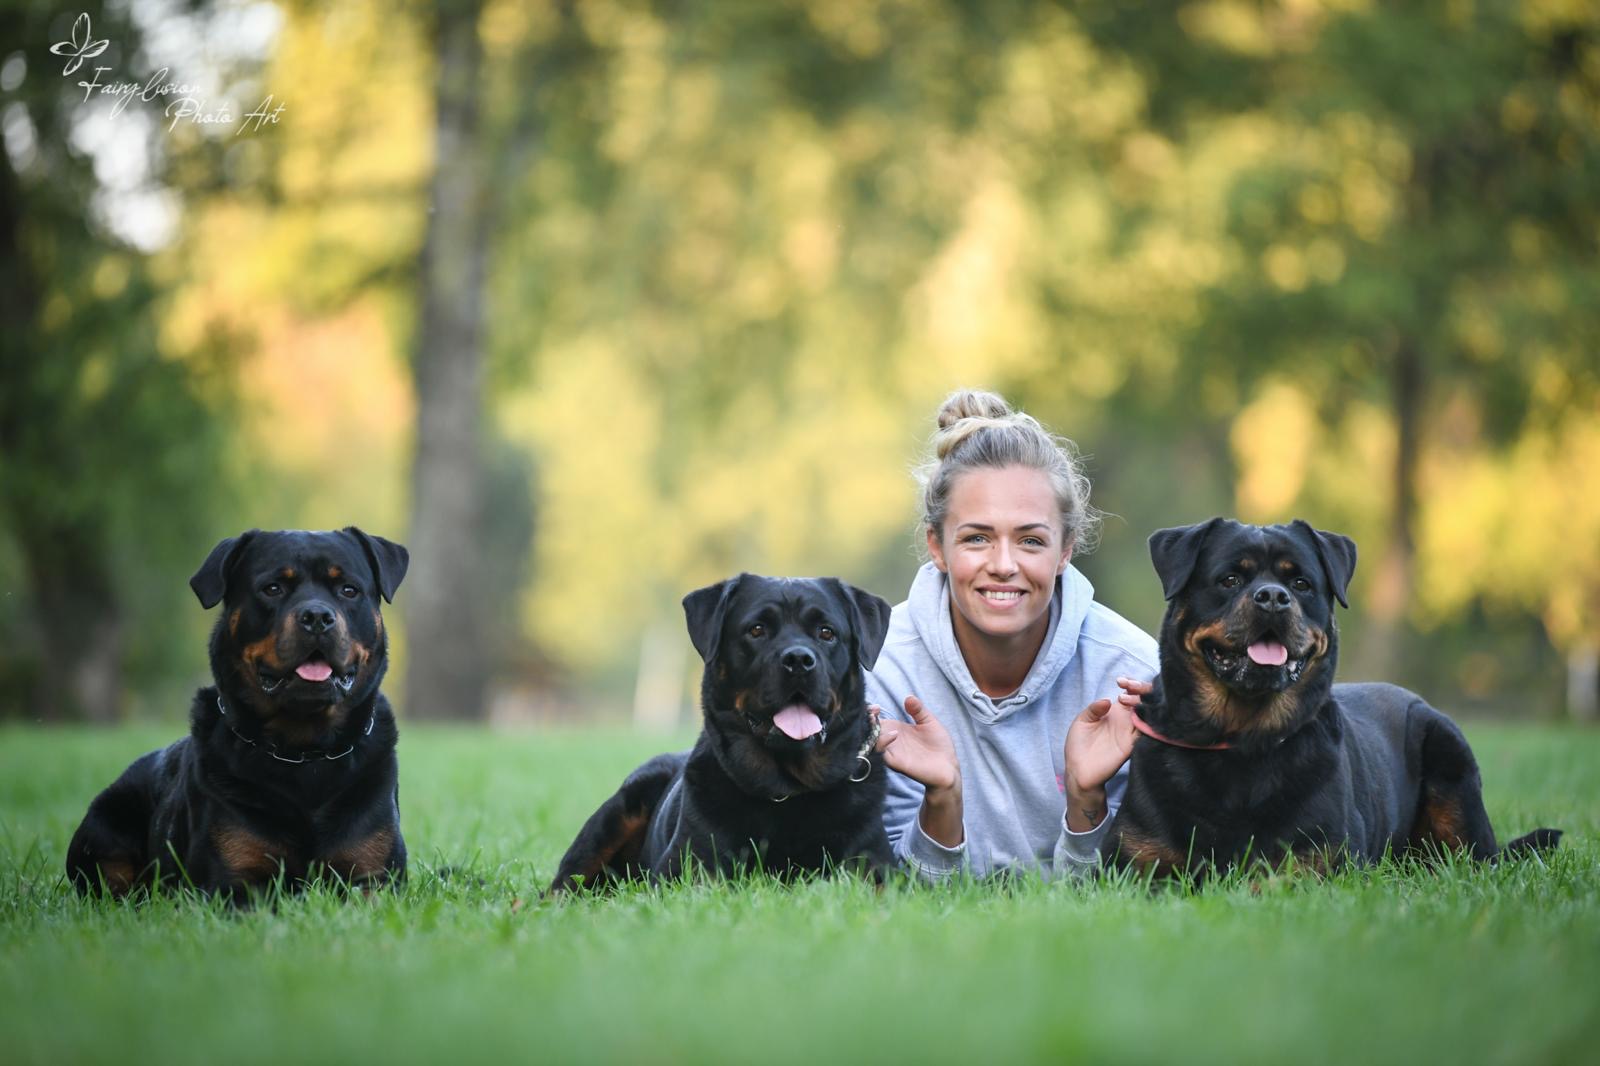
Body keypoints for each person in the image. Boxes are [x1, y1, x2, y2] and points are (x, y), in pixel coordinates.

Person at [867, 389, 1155, 880]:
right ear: (937, 545)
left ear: (1066, 550)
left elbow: (1138, 894)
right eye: (977, 538)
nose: (1003, 565)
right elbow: (884, 895)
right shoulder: (878, 670)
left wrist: (1086, 799)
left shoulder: (1133, 673)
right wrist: (942, 800)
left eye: (1030, 540)